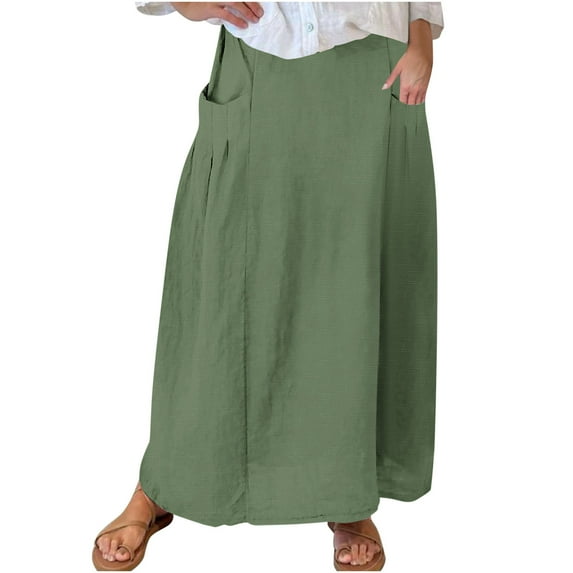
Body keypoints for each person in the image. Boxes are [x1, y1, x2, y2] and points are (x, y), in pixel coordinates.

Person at [92, 2, 444, 570]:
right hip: (259, 58)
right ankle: (162, 483)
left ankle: (347, 492)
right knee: (217, 292)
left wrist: (422, 33)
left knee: (352, 295)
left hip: (374, 70)